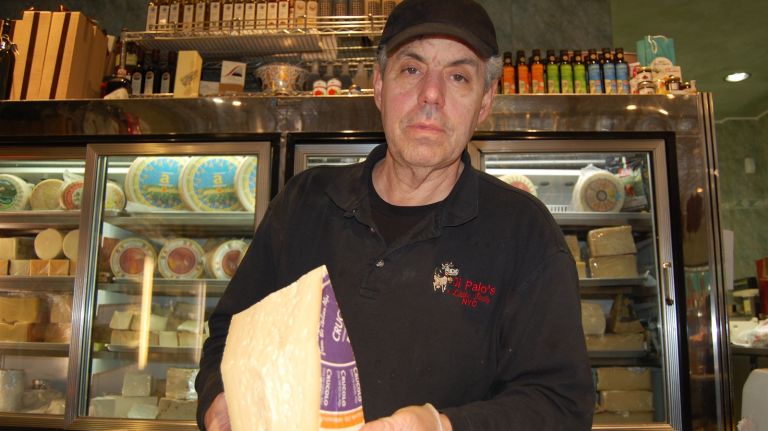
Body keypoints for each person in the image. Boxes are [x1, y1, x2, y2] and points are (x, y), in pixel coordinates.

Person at [196, 0, 595, 429]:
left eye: (459, 76)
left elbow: (560, 405)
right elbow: (230, 333)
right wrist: (219, 400)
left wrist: (439, 426)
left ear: (484, 103)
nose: (431, 95)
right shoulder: (305, 202)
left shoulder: (525, 232)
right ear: (379, 86)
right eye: (411, 69)